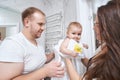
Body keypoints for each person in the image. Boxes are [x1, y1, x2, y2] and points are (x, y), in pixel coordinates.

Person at [0, 7, 64, 80]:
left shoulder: (37, 44)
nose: (43, 28)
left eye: (44, 24)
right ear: (27, 22)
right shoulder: (13, 44)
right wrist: (45, 72)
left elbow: (40, 59)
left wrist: (54, 53)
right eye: (40, 24)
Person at [65, 0, 120, 80]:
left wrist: (66, 58)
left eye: (96, 24)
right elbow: (94, 66)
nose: (93, 28)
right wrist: (82, 57)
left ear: (109, 27)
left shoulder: (114, 60)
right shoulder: (104, 46)